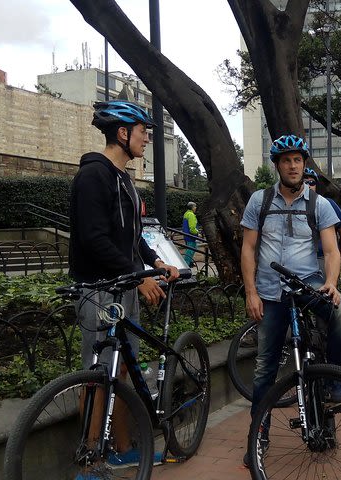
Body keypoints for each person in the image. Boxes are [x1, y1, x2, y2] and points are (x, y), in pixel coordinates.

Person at [69, 100, 180, 471]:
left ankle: (123, 446)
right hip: (99, 288)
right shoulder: (92, 176)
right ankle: (90, 458)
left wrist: (154, 262)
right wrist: (139, 274)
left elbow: (131, 236)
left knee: (122, 369)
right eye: (143, 132)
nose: (146, 139)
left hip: (126, 284)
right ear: (122, 133)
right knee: (99, 375)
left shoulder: (124, 179)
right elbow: (93, 238)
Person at [240, 134, 341, 467]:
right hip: (271, 293)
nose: (293, 166)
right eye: (286, 160)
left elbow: (332, 251)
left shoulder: (318, 203)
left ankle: (336, 385)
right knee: (265, 371)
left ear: (305, 164)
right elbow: (248, 249)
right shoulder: (259, 201)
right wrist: (251, 292)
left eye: (298, 160)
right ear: (277, 165)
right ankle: (258, 437)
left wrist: (331, 283)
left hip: (308, 286)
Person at [302, 167, 341, 270]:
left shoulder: (327, 203)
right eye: (304, 182)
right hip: (299, 259)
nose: (309, 185)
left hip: (322, 258)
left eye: (312, 182)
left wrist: (337, 257)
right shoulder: (291, 206)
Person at [182, 201, 199, 266]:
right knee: (190, 250)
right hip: (191, 235)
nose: (196, 208)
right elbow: (192, 228)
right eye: (195, 206)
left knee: (192, 248)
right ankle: (186, 263)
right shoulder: (191, 215)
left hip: (186, 235)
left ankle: (190, 262)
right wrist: (197, 232)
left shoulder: (186, 214)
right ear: (192, 207)